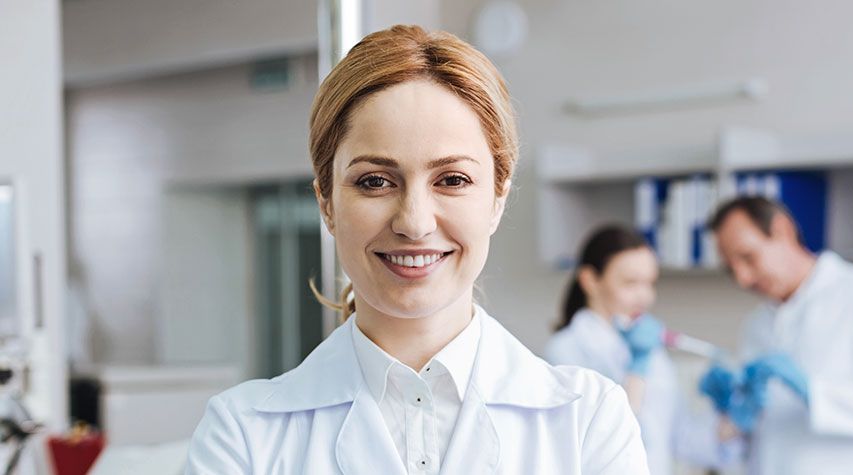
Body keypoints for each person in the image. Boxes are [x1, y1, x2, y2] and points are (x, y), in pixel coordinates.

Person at [185, 25, 649, 474]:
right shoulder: (243, 435)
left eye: (452, 180)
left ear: (497, 199)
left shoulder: (588, 421)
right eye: (375, 181)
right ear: (326, 202)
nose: (414, 222)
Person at [700, 196, 853, 474]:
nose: (742, 279)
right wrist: (733, 414)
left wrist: (814, 393)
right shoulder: (756, 324)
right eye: (730, 268)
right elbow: (759, 438)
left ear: (782, 230)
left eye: (748, 257)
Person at [544, 225, 738, 475]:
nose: (645, 297)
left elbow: (680, 439)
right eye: (630, 283)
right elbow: (604, 438)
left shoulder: (650, 351)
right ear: (590, 281)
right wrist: (636, 369)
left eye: (649, 283)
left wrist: (733, 417)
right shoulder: (565, 350)